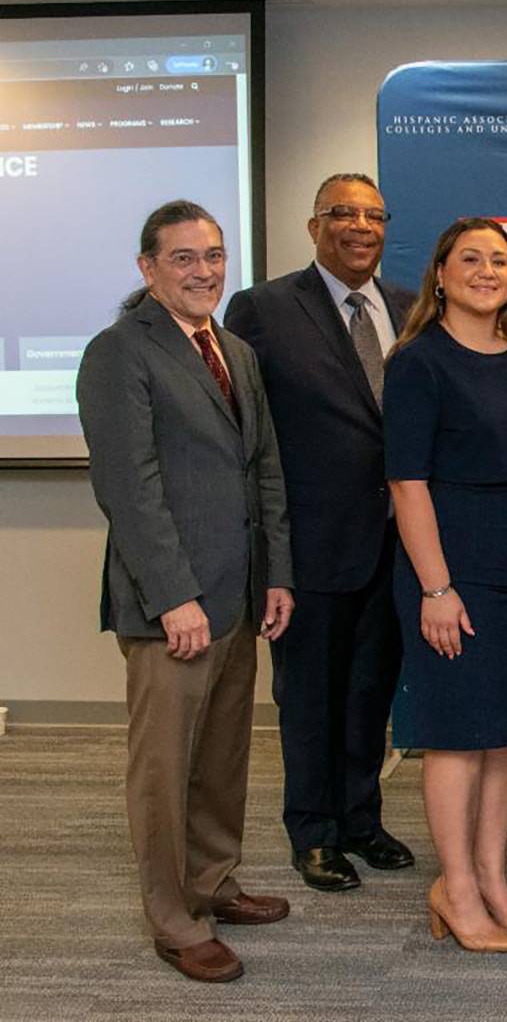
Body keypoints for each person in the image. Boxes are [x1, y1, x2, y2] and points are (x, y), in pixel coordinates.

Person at [78, 200, 294, 982]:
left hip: (238, 591)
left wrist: (277, 573)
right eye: (183, 258)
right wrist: (173, 594)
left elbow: (263, 466)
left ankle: (212, 881)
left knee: (222, 757)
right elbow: (128, 490)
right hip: (172, 603)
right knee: (165, 766)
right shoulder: (117, 353)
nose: (204, 270)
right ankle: (174, 917)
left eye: (213, 255)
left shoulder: (233, 350)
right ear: (147, 268)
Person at [224, 173, 415, 893]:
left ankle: (361, 818)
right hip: (309, 543)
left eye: (373, 214)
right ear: (314, 227)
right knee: (309, 696)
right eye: (343, 213)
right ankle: (313, 829)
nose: (360, 226)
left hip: (395, 541)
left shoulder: (406, 307)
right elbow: (245, 434)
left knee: (372, 692)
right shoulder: (264, 308)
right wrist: (264, 548)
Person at [384, 218, 507, 953]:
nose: (486, 271)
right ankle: (455, 889)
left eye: (499, 260)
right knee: (458, 737)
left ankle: (492, 879)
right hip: (453, 572)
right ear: (440, 273)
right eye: (471, 259)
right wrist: (435, 588)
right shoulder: (417, 362)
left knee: (506, 732)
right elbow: (406, 481)